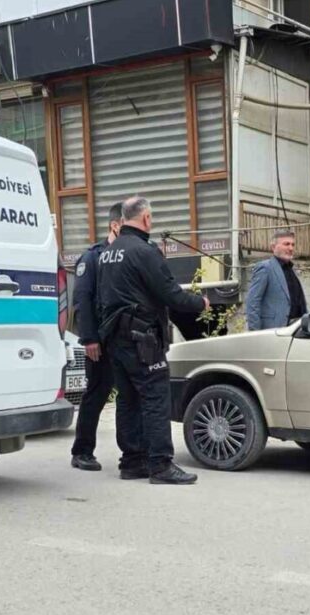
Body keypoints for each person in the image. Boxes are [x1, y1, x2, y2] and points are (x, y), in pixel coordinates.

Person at [98, 196, 210, 485]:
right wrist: (201, 303)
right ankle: (160, 465)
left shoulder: (108, 253)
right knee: (156, 398)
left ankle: (132, 462)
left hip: (116, 339)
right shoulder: (144, 252)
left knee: (128, 400)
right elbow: (171, 295)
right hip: (142, 340)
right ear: (146, 218)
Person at [69, 203, 134, 472]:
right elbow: (82, 300)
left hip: (124, 337)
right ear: (115, 226)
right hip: (100, 340)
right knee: (97, 393)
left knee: (128, 394)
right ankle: (82, 451)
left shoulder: (128, 255)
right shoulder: (93, 258)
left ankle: (131, 452)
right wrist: (89, 339)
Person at [246, 228, 308, 331]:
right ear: (273, 247)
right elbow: (253, 302)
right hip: (273, 333)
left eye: (293, 245)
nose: (291, 248)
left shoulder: (292, 271)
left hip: (295, 332)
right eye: (286, 244)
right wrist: (255, 335)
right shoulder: (265, 268)